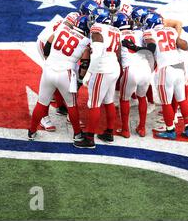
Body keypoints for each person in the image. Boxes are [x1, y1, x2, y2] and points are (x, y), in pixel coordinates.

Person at [28, 15, 90, 141]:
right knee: (72, 105)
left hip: (48, 70)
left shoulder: (62, 29)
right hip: (65, 74)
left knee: (41, 102)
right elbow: (84, 64)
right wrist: (80, 79)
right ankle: (77, 134)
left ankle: (32, 130)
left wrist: (48, 59)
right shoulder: (86, 42)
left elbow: (47, 45)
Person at [74, 8, 121, 149]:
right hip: (114, 67)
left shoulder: (97, 28)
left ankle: (89, 138)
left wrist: (89, 73)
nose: (91, 20)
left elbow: (97, 54)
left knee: (93, 103)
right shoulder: (116, 30)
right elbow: (117, 53)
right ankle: (109, 133)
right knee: (109, 101)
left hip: (102, 69)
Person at [115, 12, 154, 138]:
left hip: (130, 70)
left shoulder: (116, 35)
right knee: (142, 97)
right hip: (145, 69)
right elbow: (152, 46)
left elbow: (116, 56)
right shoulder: (140, 32)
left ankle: (125, 130)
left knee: (124, 99)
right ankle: (142, 128)